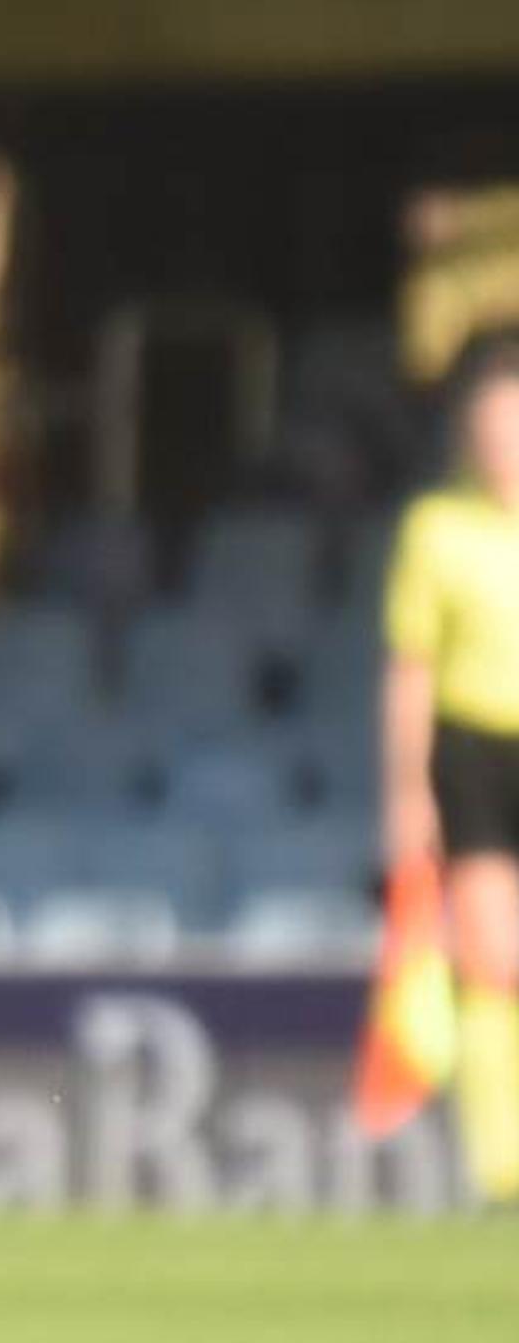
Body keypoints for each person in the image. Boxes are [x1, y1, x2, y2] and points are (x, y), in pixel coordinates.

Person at [384, 334, 519, 1207]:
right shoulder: (439, 529)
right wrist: (405, 793)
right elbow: (410, 670)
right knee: (491, 957)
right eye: (494, 425)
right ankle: (502, 1163)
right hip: (474, 748)